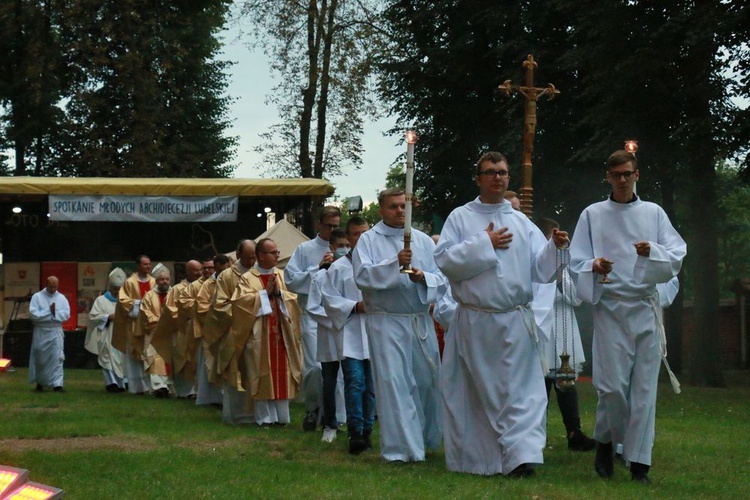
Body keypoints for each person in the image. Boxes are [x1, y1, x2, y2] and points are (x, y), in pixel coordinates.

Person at [434, 151, 569, 477]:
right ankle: (482, 461)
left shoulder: (521, 222)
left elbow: (540, 271)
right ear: (478, 178)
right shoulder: (461, 218)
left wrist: (556, 248)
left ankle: (521, 458)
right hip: (477, 322)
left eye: (503, 172)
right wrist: (486, 242)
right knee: (481, 395)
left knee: (525, 393)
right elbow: (446, 261)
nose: (498, 177)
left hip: (515, 321)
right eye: (491, 172)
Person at [569, 149, 686, 484]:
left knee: (644, 389)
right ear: (607, 176)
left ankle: (639, 463)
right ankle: (606, 441)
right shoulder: (592, 214)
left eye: (627, 174)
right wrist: (594, 265)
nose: (622, 180)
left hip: (645, 308)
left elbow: (676, 254)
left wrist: (653, 252)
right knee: (613, 388)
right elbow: (577, 258)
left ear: (637, 175)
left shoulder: (654, 212)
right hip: (611, 308)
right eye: (616, 174)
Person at [353, 188, 448, 463]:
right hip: (387, 321)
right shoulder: (368, 240)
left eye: (404, 206)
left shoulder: (423, 241)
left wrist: (422, 278)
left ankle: (424, 438)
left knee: (426, 382)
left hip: (418, 320)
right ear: (381, 209)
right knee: (395, 383)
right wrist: (394, 263)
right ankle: (401, 449)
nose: (400, 211)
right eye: (393, 206)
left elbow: (442, 279)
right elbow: (362, 276)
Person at [531, 217, 595, 451]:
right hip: (540, 326)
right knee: (541, 383)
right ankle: (537, 433)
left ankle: (574, 432)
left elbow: (577, 298)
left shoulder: (566, 266)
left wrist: (560, 278)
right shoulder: (533, 264)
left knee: (565, 382)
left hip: (563, 325)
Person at [230, 238, 303, 425]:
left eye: (277, 252)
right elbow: (240, 304)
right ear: (261, 256)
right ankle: (265, 419)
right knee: (260, 372)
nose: (277, 255)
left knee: (282, 372)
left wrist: (279, 294)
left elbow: (294, 301)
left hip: (281, 335)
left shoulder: (282, 275)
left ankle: (282, 418)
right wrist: (264, 294)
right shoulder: (248, 278)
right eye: (273, 252)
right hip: (259, 336)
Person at [320, 217, 376, 454]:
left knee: (372, 386)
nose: (361, 238)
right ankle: (355, 431)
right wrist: (355, 306)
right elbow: (330, 299)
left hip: (375, 332)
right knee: (355, 381)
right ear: (349, 238)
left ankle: (368, 430)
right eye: (355, 234)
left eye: (365, 233)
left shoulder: (377, 264)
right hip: (352, 332)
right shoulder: (339, 268)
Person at [285, 205, 342, 431]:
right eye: (328, 226)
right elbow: (290, 279)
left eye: (336, 226)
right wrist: (317, 269)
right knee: (314, 366)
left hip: (338, 316)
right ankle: (312, 409)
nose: (332, 230)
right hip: (311, 315)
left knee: (338, 367)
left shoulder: (344, 248)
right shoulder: (305, 249)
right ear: (319, 224)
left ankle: (335, 414)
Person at [203, 240, 257, 423]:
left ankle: (255, 413)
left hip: (256, 331)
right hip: (234, 332)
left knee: (254, 371)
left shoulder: (258, 272)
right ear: (238, 254)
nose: (251, 262)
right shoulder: (226, 276)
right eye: (248, 258)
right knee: (235, 371)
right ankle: (234, 414)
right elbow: (219, 305)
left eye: (254, 258)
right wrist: (244, 313)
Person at [307, 228, 351, 443]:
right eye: (340, 245)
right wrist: (336, 317)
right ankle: (329, 423)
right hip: (330, 333)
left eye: (347, 245)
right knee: (329, 380)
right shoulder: (320, 276)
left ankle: (353, 421)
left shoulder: (353, 271)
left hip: (352, 333)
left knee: (354, 380)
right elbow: (313, 307)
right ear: (331, 247)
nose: (344, 249)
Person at [151, 260, 202, 399]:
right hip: (183, 330)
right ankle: (185, 391)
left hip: (200, 330)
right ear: (188, 272)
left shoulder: (205, 286)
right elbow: (170, 310)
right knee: (183, 360)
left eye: (200, 269)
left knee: (197, 360)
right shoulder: (178, 289)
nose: (199, 273)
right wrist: (188, 315)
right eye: (195, 270)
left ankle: (198, 390)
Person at [113, 255, 155, 395]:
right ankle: (137, 387)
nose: (148, 267)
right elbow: (123, 301)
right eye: (145, 264)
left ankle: (153, 385)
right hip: (134, 324)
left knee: (151, 353)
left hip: (150, 324)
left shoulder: (154, 281)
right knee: (134, 354)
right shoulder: (130, 282)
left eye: (149, 264)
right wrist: (139, 304)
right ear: (138, 266)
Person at [194, 254, 231, 406]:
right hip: (213, 330)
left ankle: (227, 398)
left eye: (225, 269)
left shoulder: (233, 280)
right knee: (211, 364)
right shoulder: (208, 285)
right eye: (220, 270)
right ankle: (213, 398)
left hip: (230, 328)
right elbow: (201, 307)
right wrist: (218, 312)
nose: (222, 273)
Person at [85, 268, 127, 392]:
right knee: (107, 357)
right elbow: (93, 317)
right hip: (106, 334)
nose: (117, 291)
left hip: (121, 335)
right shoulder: (101, 300)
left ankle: (121, 383)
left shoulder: (125, 300)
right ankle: (111, 383)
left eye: (119, 289)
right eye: (115, 288)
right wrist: (108, 317)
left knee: (120, 359)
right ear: (110, 287)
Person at [136, 264, 173, 398]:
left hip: (171, 334)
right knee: (155, 359)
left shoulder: (175, 294)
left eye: (167, 279)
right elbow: (145, 314)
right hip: (154, 334)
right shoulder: (149, 296)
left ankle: (170, 386)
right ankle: (159, 387)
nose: (165, 282)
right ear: (156, 281)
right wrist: (161, 323)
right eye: (161, 279)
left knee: (171, 359)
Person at [28, 276, 71, 392]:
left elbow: (66, 314)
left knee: (57, 357)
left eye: (55, 287)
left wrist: (53, 314)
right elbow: (34, 315)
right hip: (41, 331)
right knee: (41, 358)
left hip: (55, 331)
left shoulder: (61, 298)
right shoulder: (37, 297)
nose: (53, 289)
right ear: (46, 285)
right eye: (51, 287)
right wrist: (49, 312)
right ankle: (40, 382)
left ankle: (58, 384)